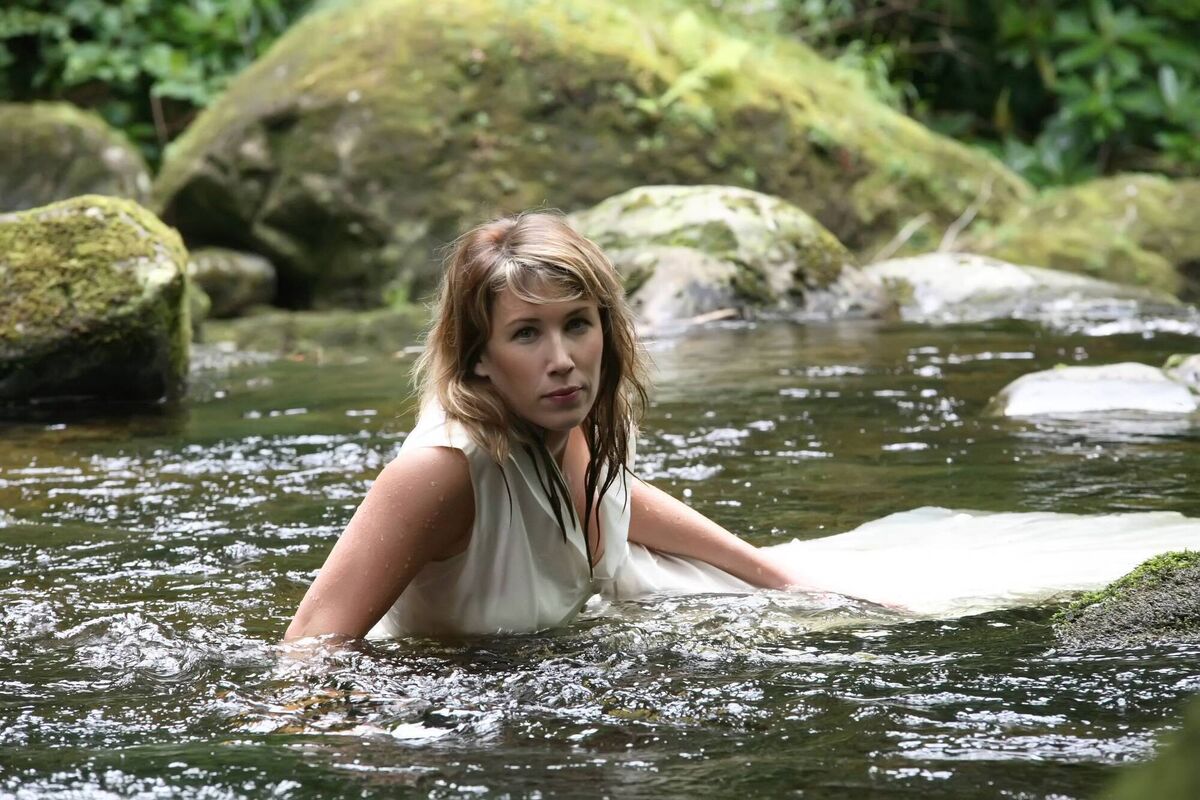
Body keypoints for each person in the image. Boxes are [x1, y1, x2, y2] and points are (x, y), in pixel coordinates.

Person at [284, 212, 808, 641]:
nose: (562, 360)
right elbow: (309, 644)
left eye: (577, 323)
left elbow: (616, 499)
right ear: (478, 357)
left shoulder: (579, 419)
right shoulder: (441, 472)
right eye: (526, 333)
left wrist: (779, 578)